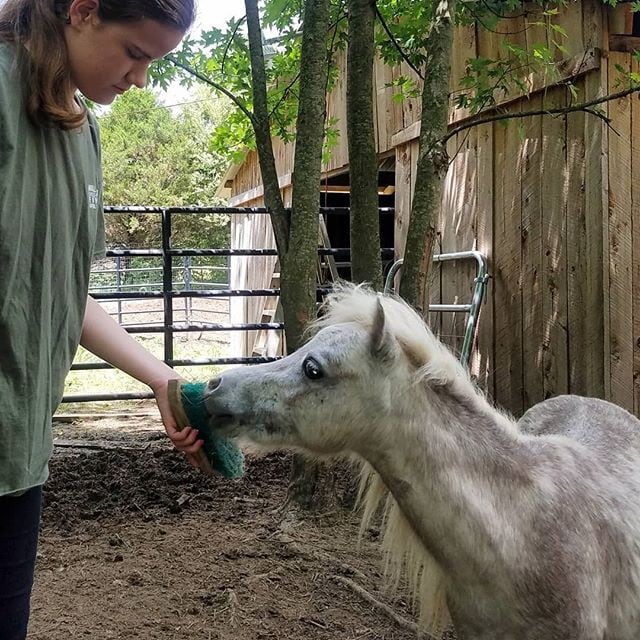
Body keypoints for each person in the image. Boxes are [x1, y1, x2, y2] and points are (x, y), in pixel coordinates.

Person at [0, 1, 205, 637]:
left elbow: (65, 289)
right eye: (136, 53)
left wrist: (161, 377)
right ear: (83, 10)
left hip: (17, 455)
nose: (140, 79)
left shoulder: (80, 131)